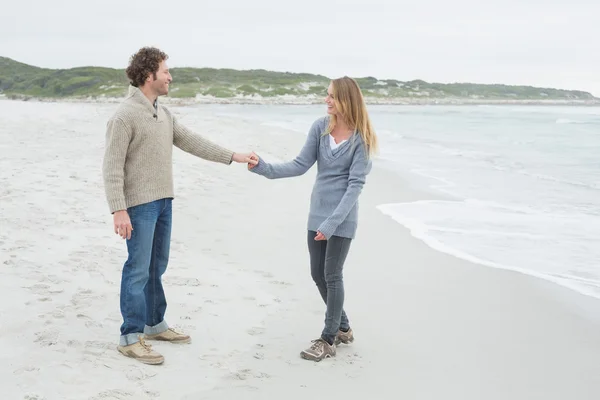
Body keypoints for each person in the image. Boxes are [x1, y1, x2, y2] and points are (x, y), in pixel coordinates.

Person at [102, 46, 257, 365]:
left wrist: (233, 156)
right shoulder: (124, 115)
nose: (170, 76)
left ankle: (154, 324)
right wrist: (119, 209)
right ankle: (130, 336)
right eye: (166, 71)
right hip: (139, 206)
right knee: (137, 269)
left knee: (156, 267)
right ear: (149, 75)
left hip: (163, 202)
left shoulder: (163, 112)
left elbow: (191, 141)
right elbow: (112, 165)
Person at [248, 76, 378, 362]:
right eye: (327, 95)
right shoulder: (320, 128)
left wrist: (332, 223)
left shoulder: (361, 139)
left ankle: (328, 339)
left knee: (332, 275)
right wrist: (264, 168)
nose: (326, 100)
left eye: (332, 96)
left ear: (346, 100)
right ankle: (343, 326)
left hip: (341, 220)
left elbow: (355, 186)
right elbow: (299, 165)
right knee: (317, 274)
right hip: (316, 215)